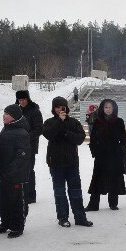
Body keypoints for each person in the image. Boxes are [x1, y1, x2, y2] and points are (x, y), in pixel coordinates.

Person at [42, 96, 93, 228]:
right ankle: (63, 218)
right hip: (56, 163)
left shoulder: (74, 122)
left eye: (62, 106)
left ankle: (80, 218)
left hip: (72, 163)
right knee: (60, 192)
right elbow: (48, 134)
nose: (60, 109)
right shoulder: (49, 122)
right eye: (57, 107)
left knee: (76, 191)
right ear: (53, 108)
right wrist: (60, 121)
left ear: (66, 108)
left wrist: (66, 133)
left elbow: (80, 138)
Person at [0, 105, 30, 238]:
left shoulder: (21, 132)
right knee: (3, 200)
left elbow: (22, 155)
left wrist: (11, 169)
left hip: (16, 174)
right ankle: (5, 223)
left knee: (16, 201)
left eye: (7, 114)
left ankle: (17, 226)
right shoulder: (6, 128)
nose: (4, 116)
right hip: (3, 173)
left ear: (14, 116)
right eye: (4, 113)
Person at [86, 99, 126, 211]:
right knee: (97, 179)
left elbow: (123, 139)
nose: (108, 109)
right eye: (106, 107)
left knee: (114, 179)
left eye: (110, 107)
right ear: (102, 108)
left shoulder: (119, 121)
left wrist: (122, 151)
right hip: (101, 156)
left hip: (115, 155)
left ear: (114, 109)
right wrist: (95, 151)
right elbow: (93, 139)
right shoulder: (97, 121)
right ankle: (93, 204)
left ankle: (113, 203)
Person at [15, 89, 43, 204]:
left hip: (30, 145)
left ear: (28, 99)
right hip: (17, 146)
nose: (22, 102)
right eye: (20, 100)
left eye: (24, 99)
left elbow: (39, 129)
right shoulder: (16, 111)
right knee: (19, 170)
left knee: (29, 170)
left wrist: (25, 137)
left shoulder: (35, 111)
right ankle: (21, 194)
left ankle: (31, 195)